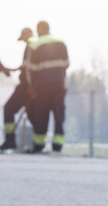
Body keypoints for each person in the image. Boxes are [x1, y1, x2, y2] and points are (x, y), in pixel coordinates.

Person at [25, 21, 69, 153]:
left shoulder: (35, 44)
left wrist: (31, 86)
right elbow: (66, 63)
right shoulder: (61, 42)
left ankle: (38, 145)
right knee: (59, 116)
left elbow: (31, 69)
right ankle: (57, 146)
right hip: (59, 85)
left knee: (41, 116)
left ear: (39, 29)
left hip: (43, 86)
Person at [0, 27, 34, 151]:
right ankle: (34, 144)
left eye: (24, 38)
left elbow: (29, 69)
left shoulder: (31, 46)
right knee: (33, 114)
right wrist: (10, 70)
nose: (23, 41)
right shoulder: (31, 47)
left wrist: (31, 85)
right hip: (30, 85)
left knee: (9, 108)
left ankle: (10, 140)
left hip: (27, 86)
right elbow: (24, 67)